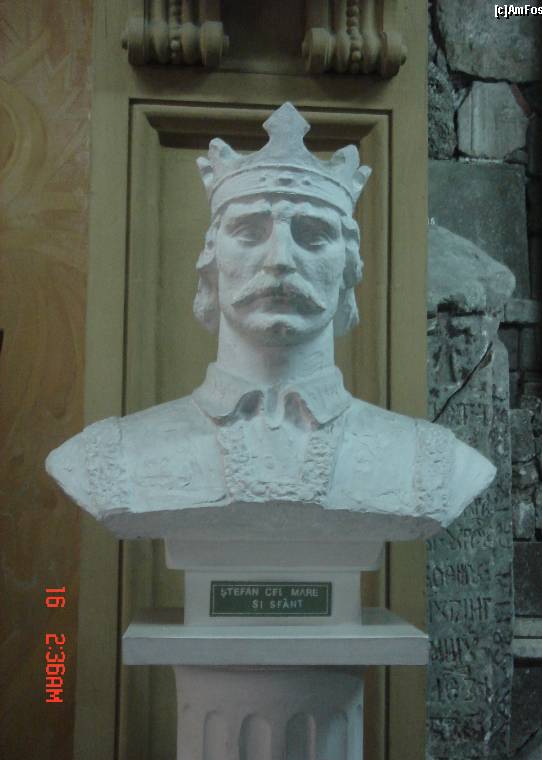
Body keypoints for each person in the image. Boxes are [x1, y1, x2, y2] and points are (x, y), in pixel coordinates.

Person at [46, 103, 495, 540]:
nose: (280, 260)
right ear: (211, 258)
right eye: (248, 232)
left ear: (348, 267)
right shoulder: (112, 457)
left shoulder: (428, 463)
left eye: (313, 235)